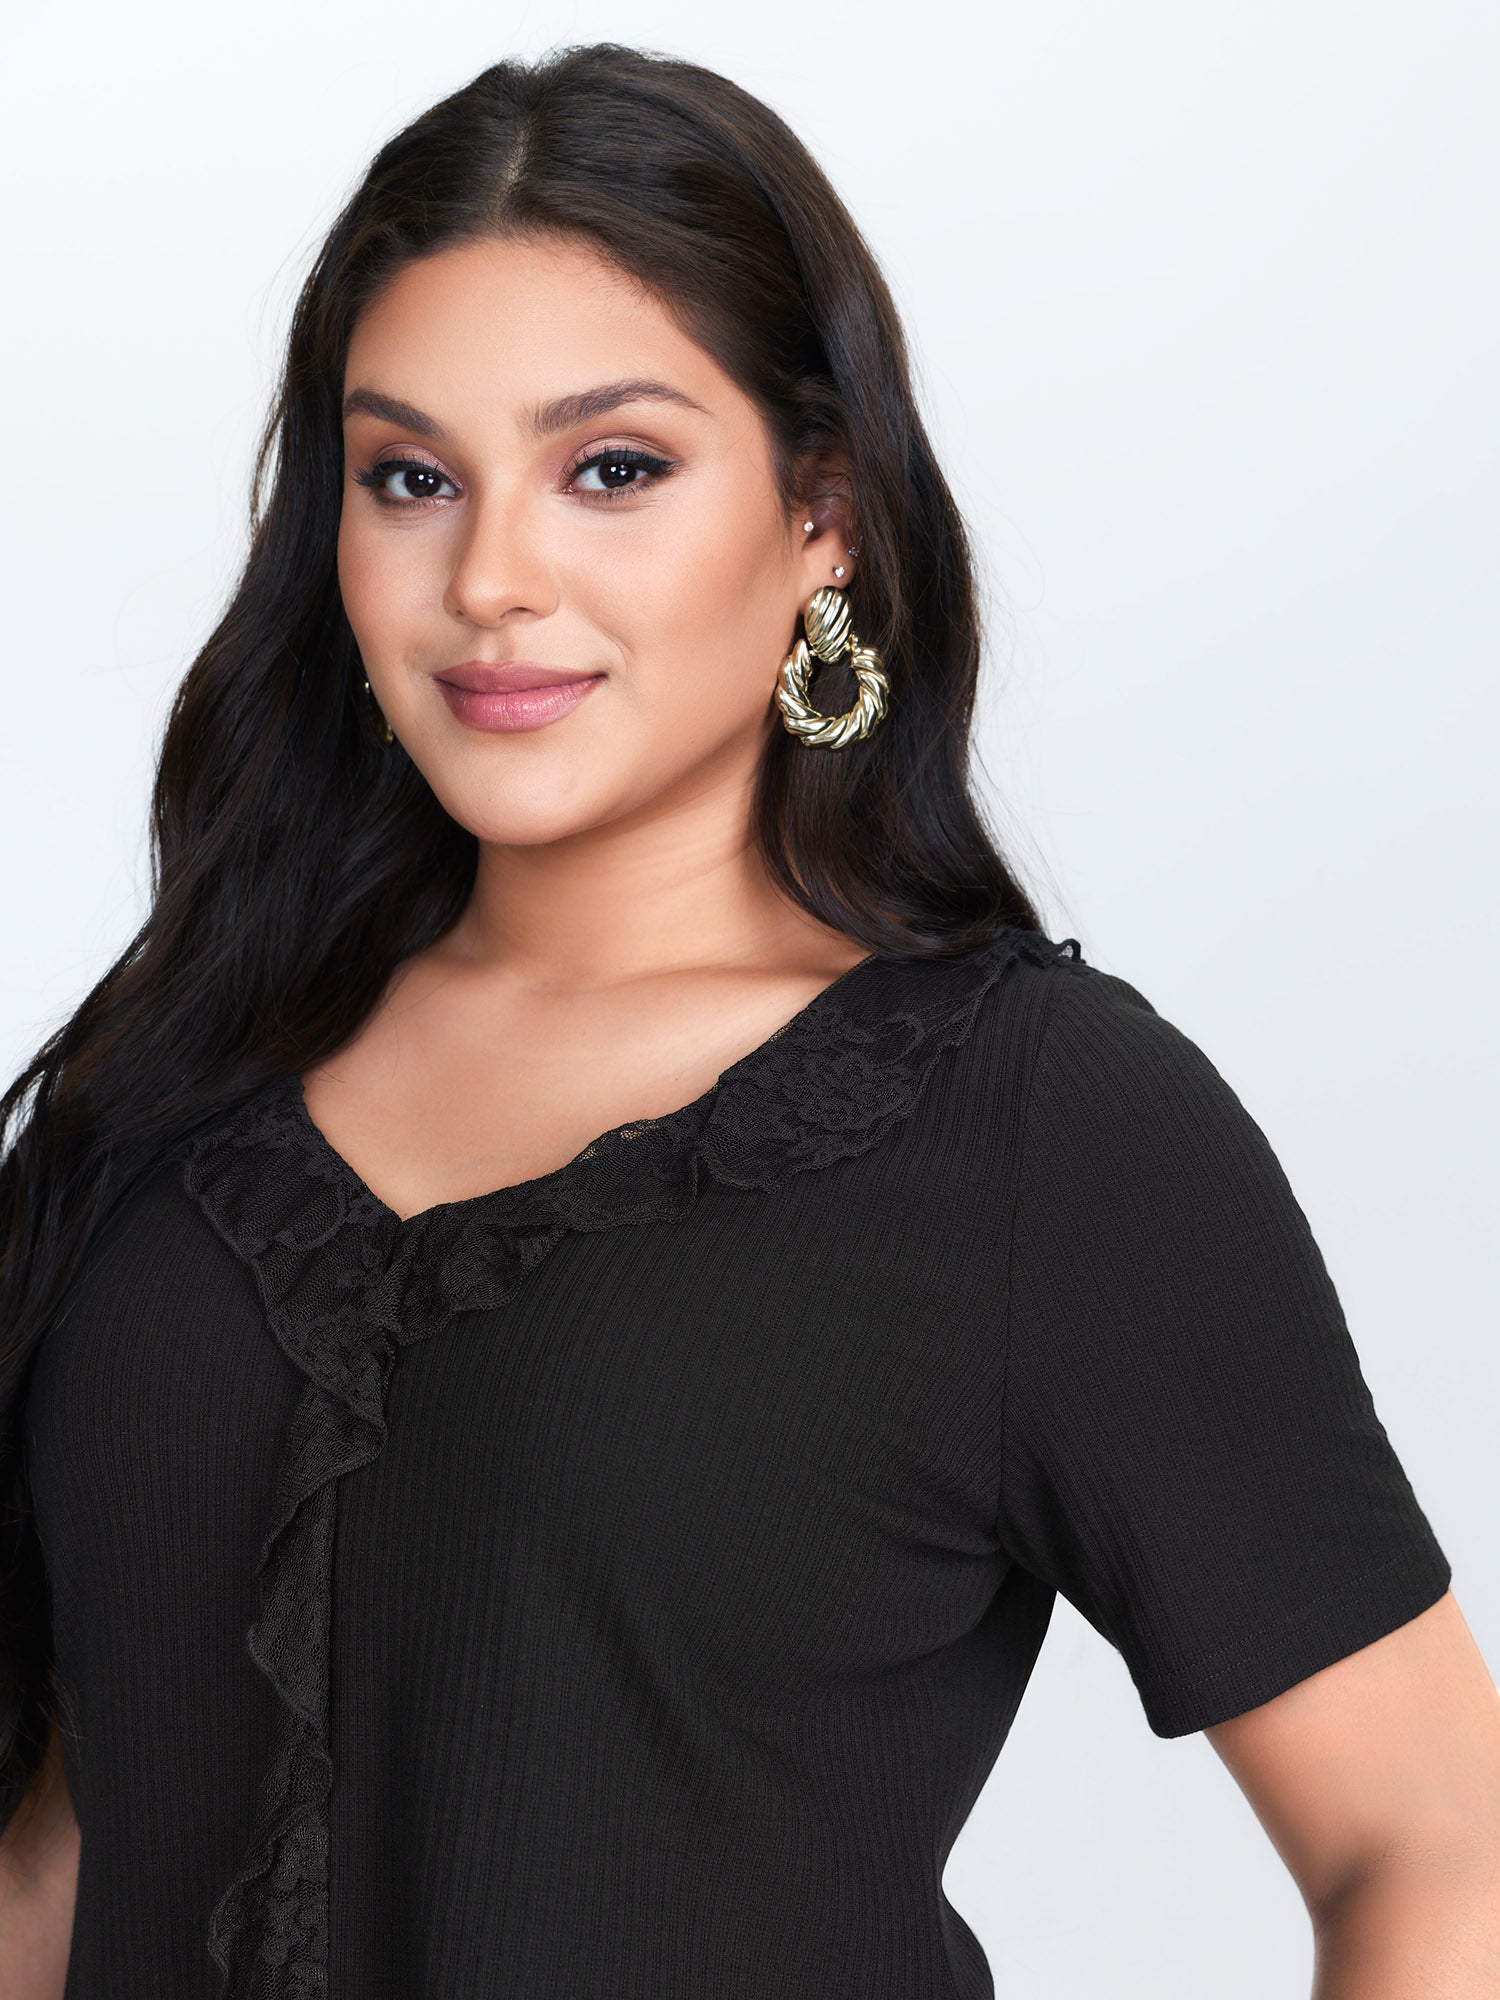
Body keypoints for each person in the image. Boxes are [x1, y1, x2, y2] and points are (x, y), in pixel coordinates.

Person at [1, 39, 1495, 2000]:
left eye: (611, 469)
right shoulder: (161, 1097)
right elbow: (60, 1850)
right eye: (411, 479)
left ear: (823, 516)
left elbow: (1434, 1847)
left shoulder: (1037, 1122)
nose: (490, 579)